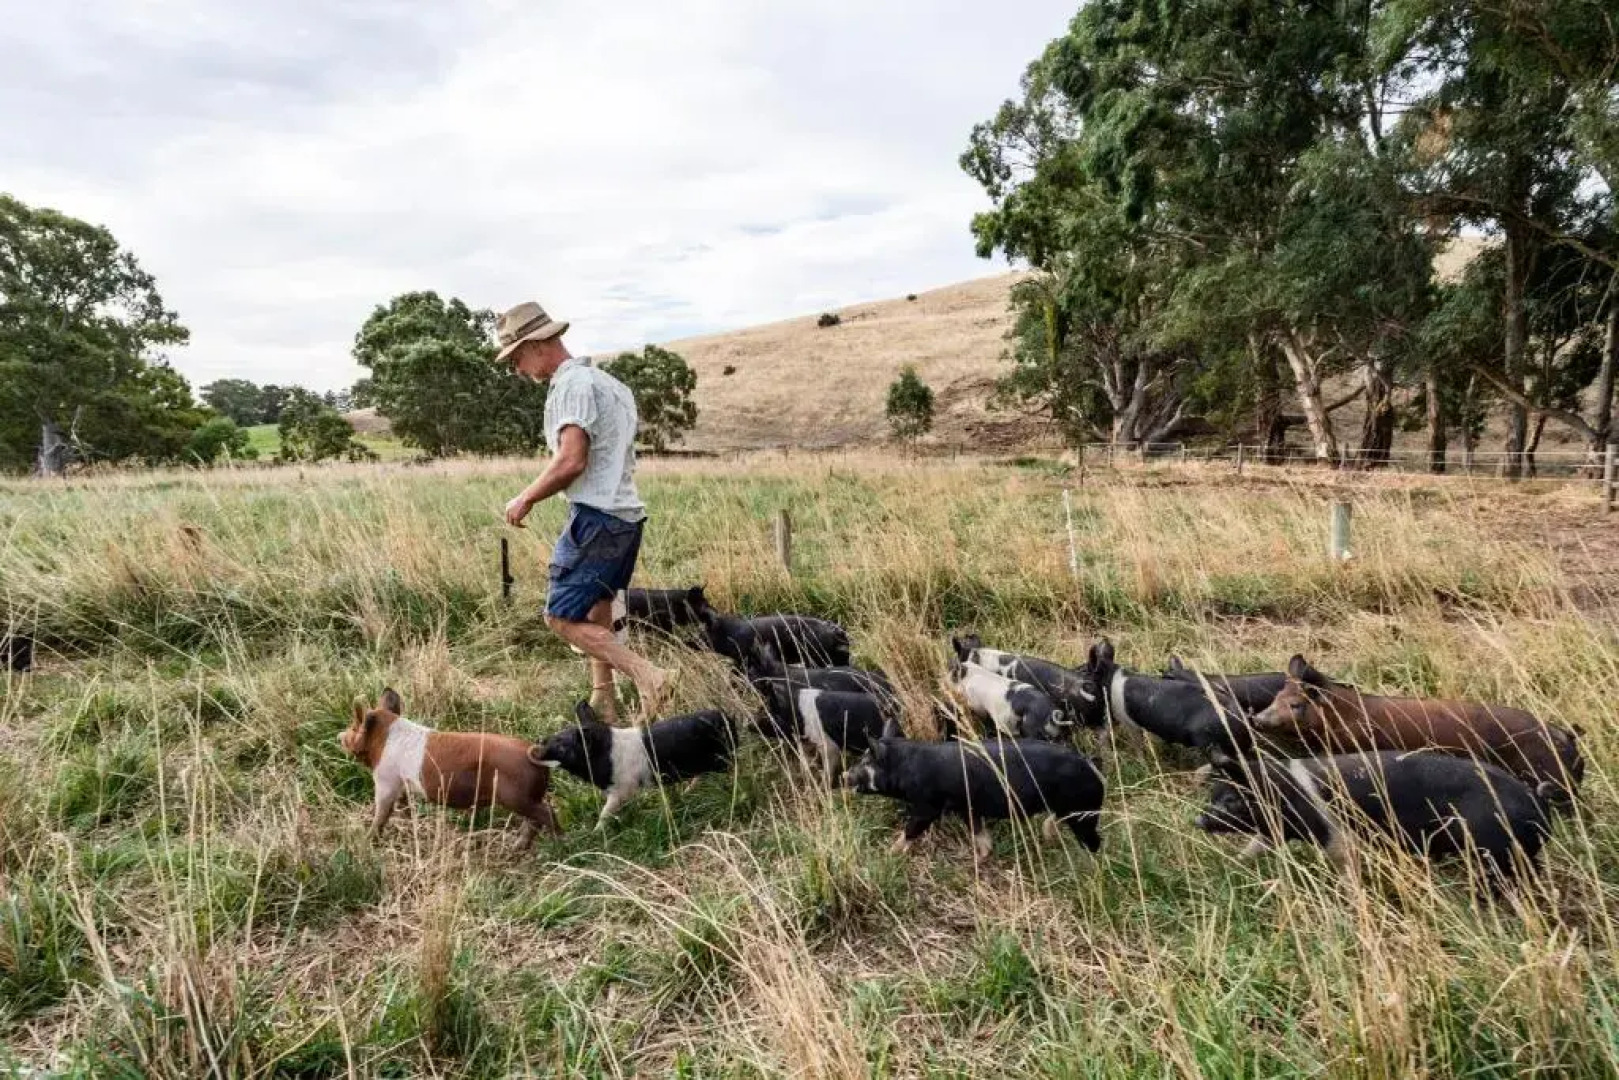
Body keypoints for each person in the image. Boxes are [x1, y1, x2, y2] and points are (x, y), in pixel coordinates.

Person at [495, 300, 673, 723]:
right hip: (625, 516)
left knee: (559, 617)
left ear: (539, 344)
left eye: (518, 357)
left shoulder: (572, 386)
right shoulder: (611, 384)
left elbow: (572, 460)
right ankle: (603, 699)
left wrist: (526, 497)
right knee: (599, 609)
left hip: (597, 518)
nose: (519, 369)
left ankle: (651, 677)